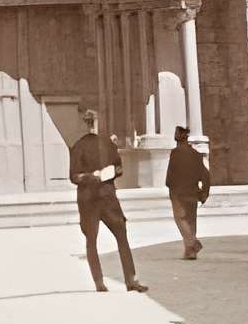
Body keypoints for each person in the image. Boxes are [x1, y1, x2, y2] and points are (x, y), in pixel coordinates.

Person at [67, 108, 148, 294]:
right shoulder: (108, 144)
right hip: (108, 197)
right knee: (122, 237)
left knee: (91, 241)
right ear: (98, 123)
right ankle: (131, 280)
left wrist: (90, 177)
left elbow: (74, 177)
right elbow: (119, 169)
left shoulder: (77, 146)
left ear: (83, 124)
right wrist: (107, 173)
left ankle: (100, 283)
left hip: (88, 200)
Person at [164, 125, 211, 259]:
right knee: (191, 221)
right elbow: (206, 175)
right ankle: (190, 252)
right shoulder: (196, 154)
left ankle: (192, 243)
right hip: (193, 192)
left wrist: (169, 185)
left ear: (178, 138)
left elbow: (170, 173)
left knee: (180, 219)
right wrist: (204, 193)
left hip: (178, 192)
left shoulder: (175, 153)